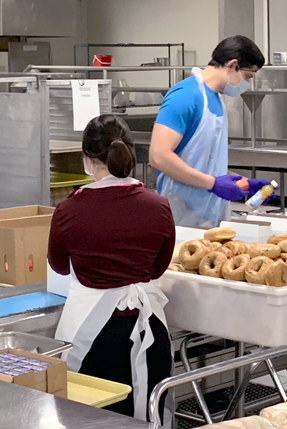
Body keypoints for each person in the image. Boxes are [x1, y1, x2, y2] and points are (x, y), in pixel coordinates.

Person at [49, 114, 175, 420]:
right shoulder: (158, 205)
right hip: (149, 335)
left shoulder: (68, 210)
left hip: (94, 342)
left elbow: (59, 267)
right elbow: (157, 270)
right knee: (150, 419)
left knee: (94, 422)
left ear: (87, 159)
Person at [149, 35, 272, 227]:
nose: (246, 84)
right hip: (179, 217)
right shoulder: (185, 97)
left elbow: (205, 162)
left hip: (208, 216)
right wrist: (213, 184)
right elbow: (159, 156)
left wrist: (243, 182)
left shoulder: (215, 99)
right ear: (232, 65)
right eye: (248, 76)